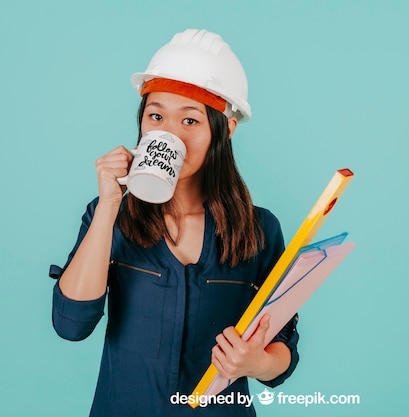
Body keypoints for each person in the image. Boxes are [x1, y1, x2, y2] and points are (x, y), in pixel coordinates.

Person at [49, 29, 299, 416]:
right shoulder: (111, 217)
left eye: (190, 121)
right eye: (157, 116)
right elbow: (71, 324)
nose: (169, 134)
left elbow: (281, 343)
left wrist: (255, 364)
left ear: (225, 130)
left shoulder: (259, 231)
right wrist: (110, 204)